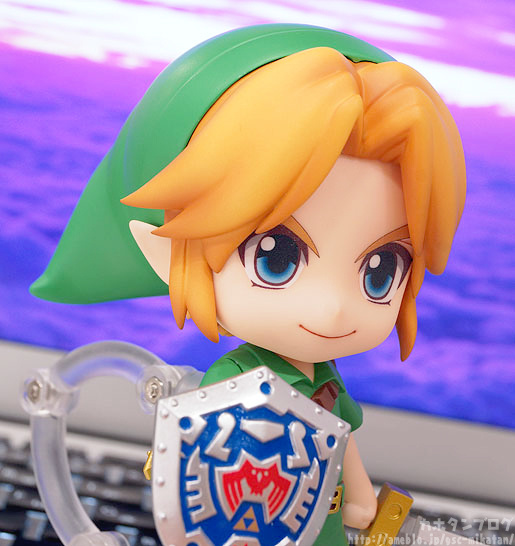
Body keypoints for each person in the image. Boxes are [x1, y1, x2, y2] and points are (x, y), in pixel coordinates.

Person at [31, 24, 466, 545]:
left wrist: (360, 500)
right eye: (276, 257)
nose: (333, 308)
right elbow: (194, 473)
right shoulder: (233, 381)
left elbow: (340, 437)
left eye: (381, 270)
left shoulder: (326, 377)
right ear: (165, 251)